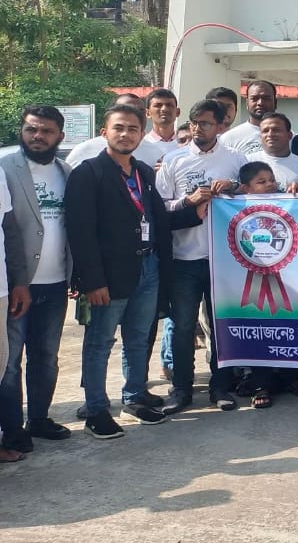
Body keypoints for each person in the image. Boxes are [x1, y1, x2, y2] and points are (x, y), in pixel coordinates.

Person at [67, 104, 200, 438]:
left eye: (132, 129)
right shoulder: (88, 173)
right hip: (108, 275)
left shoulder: (143, 171)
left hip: (149, 266)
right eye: (119, 128)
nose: (125, 134)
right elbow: (80, 233)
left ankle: (134, 397)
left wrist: (194, 212)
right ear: (105, 132)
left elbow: (157, 220)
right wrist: (92, 280)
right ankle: (96, 410)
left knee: (138, 338)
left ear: (142, 134)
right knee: (100, 342)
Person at [156, 99, 247, 415]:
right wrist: (187, 201)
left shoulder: (235, 159)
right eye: (194, 122)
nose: (198, 129)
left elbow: (255, 193)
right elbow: (159, 208)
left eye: (206, 123)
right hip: (184, 258)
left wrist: (235, 187)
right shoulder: (174, 160)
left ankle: (220, 387)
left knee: (220, 326)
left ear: (221, 126)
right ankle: (181, 389)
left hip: (225, 259)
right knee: (183, 326)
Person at [0, 106, 72, 457]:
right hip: (17, 284)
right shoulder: (5, 167)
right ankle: (12, 429)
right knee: (10, 361)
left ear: (60, 136)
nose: (37, 136)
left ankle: (39, 419)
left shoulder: (66, 172)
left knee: (46, 356)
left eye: (46, 131)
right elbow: (8, 231)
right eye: (31, 129)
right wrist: (18, 281)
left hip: (56, 282)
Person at [66, 93, 166, 169]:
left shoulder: (155, 153)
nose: (135, 115)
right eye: (126, 109)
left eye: (140, 111)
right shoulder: (84, 151)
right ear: (104, 132)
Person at [247, 113, 298, 192]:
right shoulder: (246, 162)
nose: (270, 134)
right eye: (265, 131)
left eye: (276, 130)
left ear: (289, 135)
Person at [220, 80, 277, 155]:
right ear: (247, 103)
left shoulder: (288, 137)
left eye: (266, 98)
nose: (260, 103)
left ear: (275, 102)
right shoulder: (228, 139)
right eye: (254, 98)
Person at [143, 88, 183, 156]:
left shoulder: (188, 145)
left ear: (178, 112)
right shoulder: (140, 145)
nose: (164, 109)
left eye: (169, 105)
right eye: (158, 105)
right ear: (148, 113)